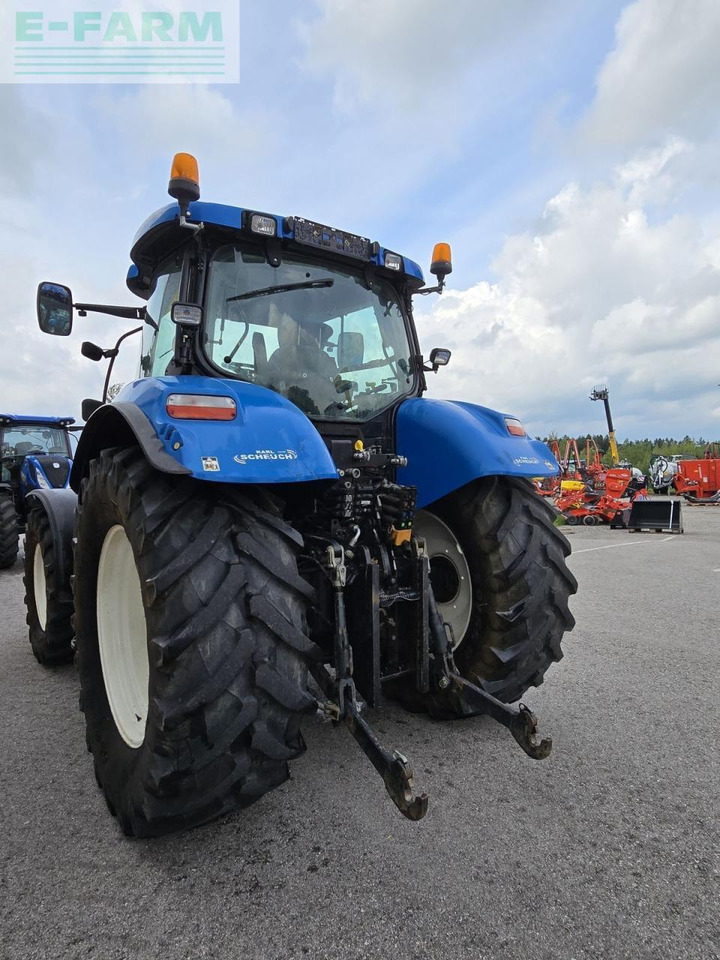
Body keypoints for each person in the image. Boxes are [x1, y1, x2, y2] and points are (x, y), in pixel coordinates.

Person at [264, 303, 339, 414]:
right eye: (281, 329)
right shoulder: (281, 357)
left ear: (302, 332)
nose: (280, 334)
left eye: (284, 328)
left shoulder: (280, 356)